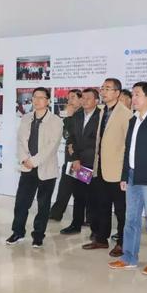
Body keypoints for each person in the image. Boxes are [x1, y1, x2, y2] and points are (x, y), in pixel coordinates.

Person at [109, 82, 147, 275]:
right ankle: (129, 257)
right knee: (131, 220)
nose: (133, 98)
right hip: (132, 176)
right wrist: (124, 175)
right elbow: (128, 150)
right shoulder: (133, 119)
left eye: (137, 94)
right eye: (133, 94)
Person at [81, 79, 133, 257]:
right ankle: (101, 239)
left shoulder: (125, 114)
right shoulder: (103, 111)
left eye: (108, 88)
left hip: (117, 170)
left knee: (120, 210)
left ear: (117, 93)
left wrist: (125, 172)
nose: (103, 91)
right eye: (102, 88)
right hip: (101, 168)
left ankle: (122, 243)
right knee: (102, 206)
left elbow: (128, 146)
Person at [6, 87, 63, 248]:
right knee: (21, 203)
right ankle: (17, 232)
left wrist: (34, 161)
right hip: (27, 168)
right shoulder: (26, 118)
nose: (37, 100)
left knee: (43, 205)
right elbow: (20, 141)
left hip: (46, 168)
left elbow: (52, 145)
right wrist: (25, 159)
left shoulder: (56, 121)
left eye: (41, 97)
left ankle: (38, 235)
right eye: (34, 97)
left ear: (48, 101)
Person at [60, 88, 101, 235]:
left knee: (94, 198)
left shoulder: (101, 116)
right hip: (77, 162)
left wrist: (85, 160)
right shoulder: (77, 116)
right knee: (78, 195)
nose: (84, 100)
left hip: (93, 163)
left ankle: (96, 229)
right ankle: (76, 224)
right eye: (82, 98)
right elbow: (71, 138)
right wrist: (75, 159)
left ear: (96, 101)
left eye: (88, 98)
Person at [49, 89, 82, 221]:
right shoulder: (72, 115)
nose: (69, 101)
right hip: (70, 159)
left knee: (80, 190)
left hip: (79, 159)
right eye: (68, 98)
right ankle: (56, 213)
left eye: (73, 97)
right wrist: (69, 117)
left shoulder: (83, 115)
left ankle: (84, 218)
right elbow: (66, 135)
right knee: (65, 186)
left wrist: (69, 116)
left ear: (81, 99)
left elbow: (74, 135)